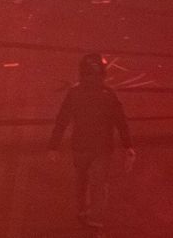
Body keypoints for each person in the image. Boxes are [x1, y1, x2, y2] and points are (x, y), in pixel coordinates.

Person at [47, 53, 135, 230]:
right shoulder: (108, 94)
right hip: (102, 148)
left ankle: (82, 210)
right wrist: (128, 146)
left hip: (80, 146)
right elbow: (120, 121)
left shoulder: (75, 93)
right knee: (99, 184)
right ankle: (96, 220)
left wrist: (53, 146)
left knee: (82, 180)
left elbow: (62, 120)